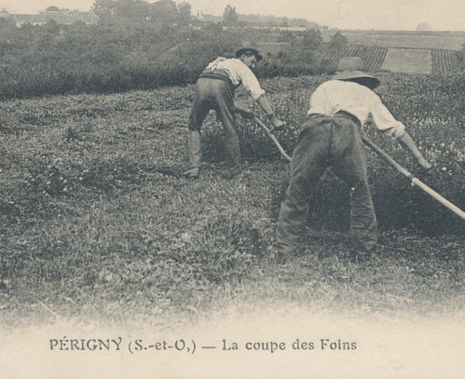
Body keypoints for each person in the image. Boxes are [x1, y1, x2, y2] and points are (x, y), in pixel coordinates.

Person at [273, 57, 432, 259]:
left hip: (313, 130)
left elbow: (319, 116)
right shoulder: (367, 93)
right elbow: (396, 130)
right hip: (347, 131)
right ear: (362, 78)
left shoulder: (324, 86)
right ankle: (363, 251)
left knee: (298, 188)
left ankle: (284, 249)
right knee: (359, 189)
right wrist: (420, 160)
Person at [184, 47, 285, 178]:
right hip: (220, 86)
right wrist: (273, 118)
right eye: (252, 61)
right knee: (229, 128)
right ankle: (235, 170)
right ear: (244, 56)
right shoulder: (242, 67)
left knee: (194, 126)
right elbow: (257, 93)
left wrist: (243, 110)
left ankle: (194, 168)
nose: (253, 66)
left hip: (201, 83)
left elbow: (219, 98)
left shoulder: (219, 62)